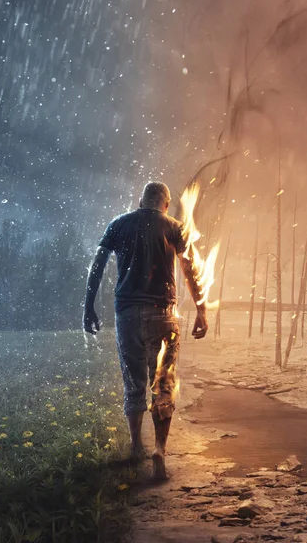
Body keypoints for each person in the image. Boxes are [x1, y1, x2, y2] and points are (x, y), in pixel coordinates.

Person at [82, 181, 208, 480]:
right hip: (162, 315)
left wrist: (88, 306)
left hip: (126, 315)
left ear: (141, 202)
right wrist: (201, 309)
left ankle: (137, 445)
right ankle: (160, 450)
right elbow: (190, 269)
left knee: (134, 382)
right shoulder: (175, 227)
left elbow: (97, 264)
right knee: (163, 383)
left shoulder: (119, 224)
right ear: (165, 204)